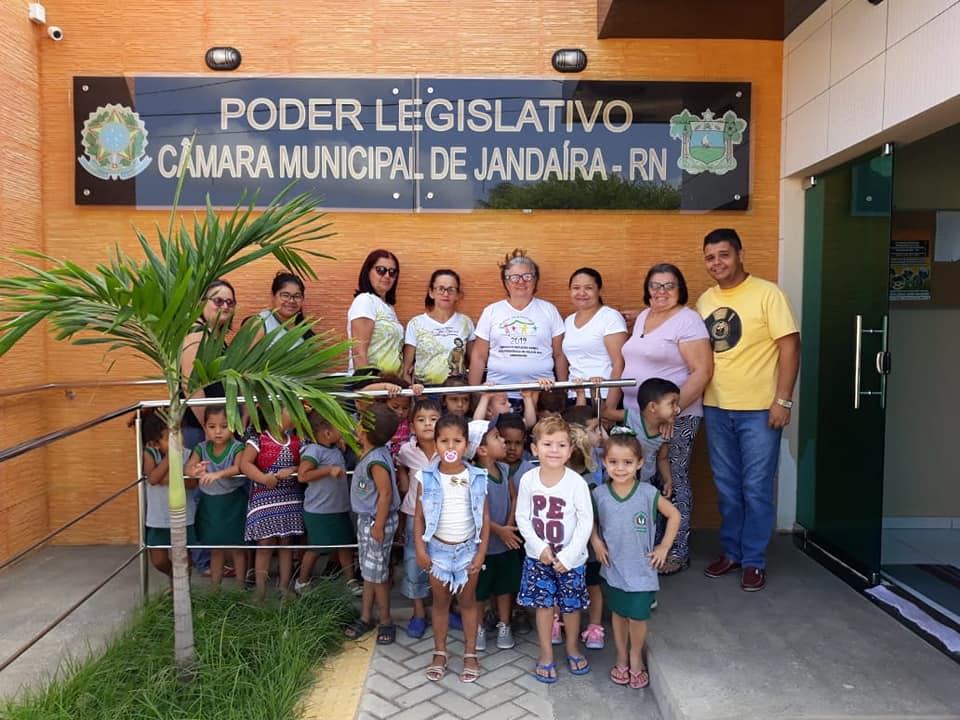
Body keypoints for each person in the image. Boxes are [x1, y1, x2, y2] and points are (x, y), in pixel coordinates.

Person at [696, 228, 800, 592]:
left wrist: (783, 400)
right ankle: (732, 553)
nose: (717, 263)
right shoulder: (705, 301)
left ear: (740, 254)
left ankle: (754, 560)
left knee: (755, 487)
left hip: (760, 410)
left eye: (723, 254)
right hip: (716, 407)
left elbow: (790, 347)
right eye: (710, 257)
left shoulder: (768, 294)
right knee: (727, 487)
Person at [607, 264, 713, 575]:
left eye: (668, 285)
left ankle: (676, 551)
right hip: (638, 418)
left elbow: (702, 372)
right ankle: (648, 548)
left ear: (680, 289)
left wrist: (674, 411)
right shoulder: (643, 316)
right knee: (644, 482)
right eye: (655, 285)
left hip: (673, 418)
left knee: (673, 481)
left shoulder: (688, 321)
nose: (661, 291)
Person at [592, 430, 681, 689]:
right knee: (619, 614)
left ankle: (635, 657)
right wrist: (596, 541)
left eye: (628, 462)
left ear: (640, 463)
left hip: (643, 569)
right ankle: (621, 656)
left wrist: (664, 546)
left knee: (638, 617)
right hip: (614, 568)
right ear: (604, 462)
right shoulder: (599, 494)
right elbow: (589, 520)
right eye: (614, 462)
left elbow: (674, 515)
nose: (620, 468)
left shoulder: (648, 493)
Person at [515, 416, 594, 684]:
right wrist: (539, 548)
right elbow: (522, 518)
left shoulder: (576, 483)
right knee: (544, 606)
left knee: (571, 608)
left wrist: (569, 556)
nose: (554, 450)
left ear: (570, 450)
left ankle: (572, 648)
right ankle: (546, 653)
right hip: (539, 559)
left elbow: (586, 521)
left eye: (561, 445)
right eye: (547, 444)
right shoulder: (528, 480)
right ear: (535, 448)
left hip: (571, 560)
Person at [414, 414, 490, 683]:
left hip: (469, 550)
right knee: (440, 603)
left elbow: (484, 517)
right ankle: (440, 652)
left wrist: (480, 553)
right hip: (437, 551)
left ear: (466, 445)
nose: (450, 447)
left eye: (457, 441)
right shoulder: (426, 477)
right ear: (435, 445)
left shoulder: (477, 476)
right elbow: (419, 516)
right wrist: (421, 550)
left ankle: (470, 653)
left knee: (468, 603)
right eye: (444, 441)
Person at [180, 278, 237, 575]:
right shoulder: (195, 337)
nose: (225, 306)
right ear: (203, 304)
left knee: (214, 491)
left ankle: (214, 559)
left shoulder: (219, 338)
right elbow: (192, 387)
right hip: (201, 427)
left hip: (218, 428)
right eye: (218, 301)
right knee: (202, 493)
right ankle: (204, 561)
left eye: (230, 302)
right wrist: (209, 430)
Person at [469, 249, 568, 408]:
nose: (521, 282)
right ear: (506, 282)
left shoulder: (549, 310)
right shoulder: (491, 311)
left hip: (542, 394)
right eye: (514, 277)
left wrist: (564, 390)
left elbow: (559, 355)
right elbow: (479, 356)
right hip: (499, 394)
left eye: (527, 276)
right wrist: (474, 394)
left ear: (535, 280)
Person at [344, 403, 402, 644]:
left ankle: (386, 619)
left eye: (359, 423)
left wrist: (378, 525)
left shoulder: (376, 461)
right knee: (370, 573)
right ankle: (366, 616)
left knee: (377, 576)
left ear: (365, 430)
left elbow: (386, 494)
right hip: (367, 520)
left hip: (376, 522)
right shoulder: (370, 452)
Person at [239, 407, 304, 603]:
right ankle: (260, 591)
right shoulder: (258, 439)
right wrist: (263, 477)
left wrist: (294, 468)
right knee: (265, 544)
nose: (295, 413)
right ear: (274, 416)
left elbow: (307, 464)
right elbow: (245, 464)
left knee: (286, 544)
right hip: (264, 498)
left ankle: (284, 587)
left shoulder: (297, 441)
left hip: (289, 497)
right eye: (289, 410)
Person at [295, 411, 359, 596]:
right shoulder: (313, 451)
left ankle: (351, 579)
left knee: (345, 544)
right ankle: (302, 581)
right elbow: (302, 475)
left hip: (338, 508)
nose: (343, 431)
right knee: (317, 547)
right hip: (319, 511)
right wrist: (327, 471)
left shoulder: (334, 448)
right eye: (338, 427)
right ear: (326, 433)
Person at [469, 418, 519, 653]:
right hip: (484, 547)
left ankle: (504, 624)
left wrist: (509, 525)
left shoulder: (505, 469)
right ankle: (478, 628)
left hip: (504, 544)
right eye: (497, 438)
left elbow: (513, 496)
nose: (504, 442)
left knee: (504, 587)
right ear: (481, 449)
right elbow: (476, 512)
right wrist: (500, 530)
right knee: (480, 591)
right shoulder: (474, 476)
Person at [186, 405, 246, 588]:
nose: (218, 431)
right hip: (210, 504)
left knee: (238, 548)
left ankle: (240, 587)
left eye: (224, 426)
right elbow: (188, 467)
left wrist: (217, 474)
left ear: (234, 426)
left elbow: (238, 467)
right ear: (204, 427)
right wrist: (195, 471)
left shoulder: (238, 447)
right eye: (212, 427)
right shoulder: (201, 448)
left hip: (233, 503)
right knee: (216, 548)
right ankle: (215, 589)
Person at [396, 399, 441, 638]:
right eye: (421, 420)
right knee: (415, 561)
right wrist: (403, 474)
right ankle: (419, 612)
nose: (427, 425)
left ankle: (442, 609)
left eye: (433, 419)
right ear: (412, 426)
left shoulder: (448, 448)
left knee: (442, 562)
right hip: (415, 515)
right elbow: (398, 463)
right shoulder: (406, 451)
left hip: (444, 516)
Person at [136, 409, 198, 583]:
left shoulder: (188, 453)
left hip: (183, 516)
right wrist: (171, 457)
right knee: (158, 560)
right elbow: (154, 478)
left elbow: (193, 483)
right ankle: (173, 576)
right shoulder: (150, 454)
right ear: (155, 443)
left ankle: (182, 586)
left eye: (177, 435)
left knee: (185, 556)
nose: (175, 440)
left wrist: (167, 477)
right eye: (168, 437)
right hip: (157, 517)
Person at [603, 378, 680, 491]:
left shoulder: (665, 433)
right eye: (672, 404)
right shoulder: (630, 416)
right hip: (615, 481)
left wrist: (668, 480)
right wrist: (595, 391)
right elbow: (605, 413)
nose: (677, 409)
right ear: (653, 407)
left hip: (644, 485)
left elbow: (662, 458)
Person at [562, 268, 627, 402]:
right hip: (575, 395)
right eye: (576, 288)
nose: (581, 293)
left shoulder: (610, 317)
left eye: (588, 288)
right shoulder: (568, 321)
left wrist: (610, 406)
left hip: (601, 394)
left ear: (599, 290)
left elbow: (619, 363)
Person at [402, 269, 476, 385]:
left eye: (451, 289)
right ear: (431, 292)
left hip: (456, 392)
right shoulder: (416, 323)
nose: (446, 294)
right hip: (425, 393)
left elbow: (475, 362)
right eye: (441, 289)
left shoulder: (466, 322)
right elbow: (406, 369)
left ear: (457, 294)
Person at [348, 250, 403, 374]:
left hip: (390, 385)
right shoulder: (365, 301)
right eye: (380, 270)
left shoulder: (388, 307)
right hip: (373, 384)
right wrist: (368, 385)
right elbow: (358, 351)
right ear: (368, 272)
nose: (387, 276)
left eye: (392, 272)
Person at [250, 272, 315, 347]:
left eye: (297, 296)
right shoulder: (260, 323)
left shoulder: (302, 327)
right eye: (285, 295)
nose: (291, 301)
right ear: (273, 296)